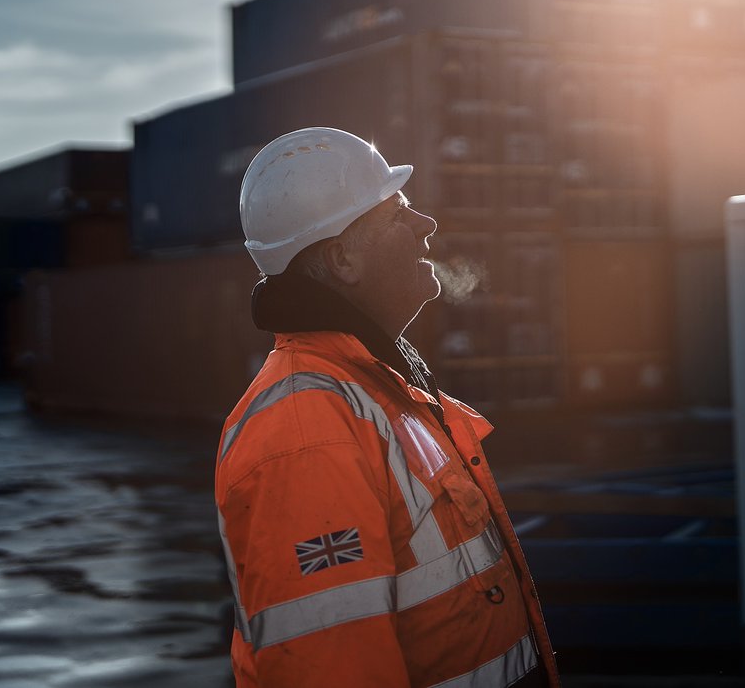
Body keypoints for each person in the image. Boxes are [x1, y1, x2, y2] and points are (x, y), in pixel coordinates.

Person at [215, 127, 560, 687]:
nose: (426, 225)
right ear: (344, 259)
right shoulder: (306, 434)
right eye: (398, 213)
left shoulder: (378, 388)